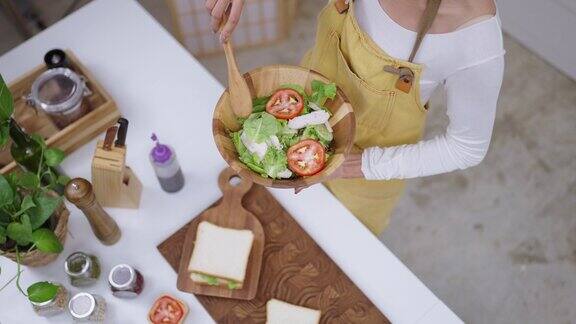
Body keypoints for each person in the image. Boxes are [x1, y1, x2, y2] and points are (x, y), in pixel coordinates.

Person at [206, 0, 505, 235]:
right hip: (293, 118)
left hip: (366, 172)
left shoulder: (475, 40)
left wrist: (358, 165)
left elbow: (467, 147)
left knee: (331, 252)